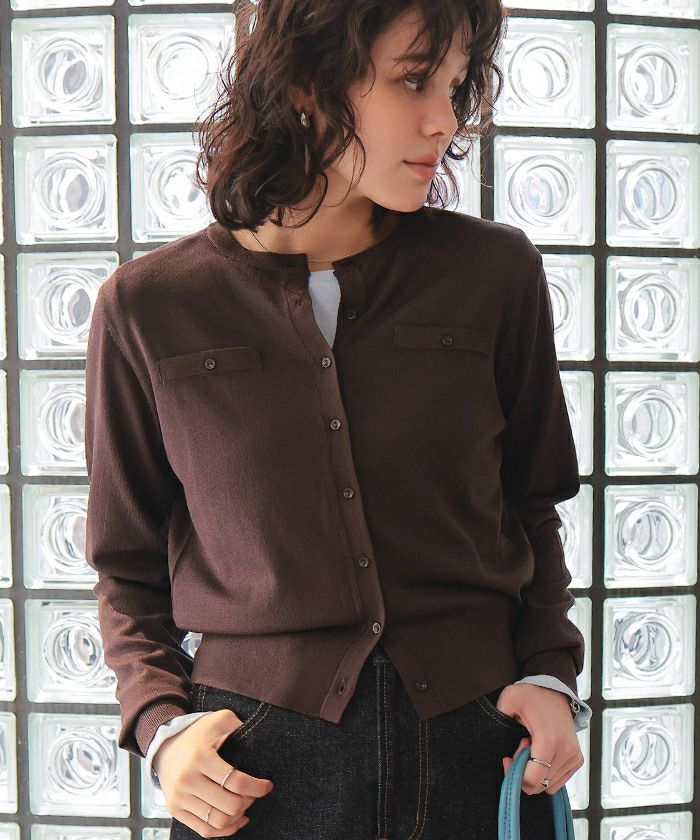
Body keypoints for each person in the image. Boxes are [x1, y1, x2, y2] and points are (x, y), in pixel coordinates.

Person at [83, 0, 592, 837]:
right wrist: (162, 730)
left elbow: (531, 505)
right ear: (305, 83)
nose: (445, 120)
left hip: (479, 746)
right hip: (254, 769)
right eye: (414, 81)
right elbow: (126, 563)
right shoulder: (147, 308)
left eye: (456, 85)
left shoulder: (494, 274)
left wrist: (549, 675)